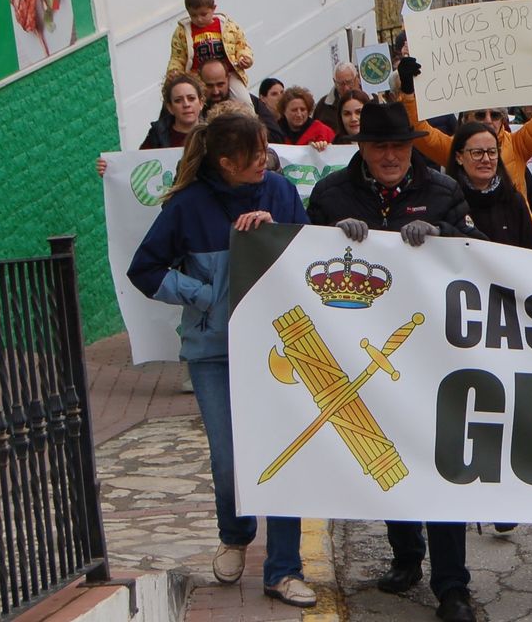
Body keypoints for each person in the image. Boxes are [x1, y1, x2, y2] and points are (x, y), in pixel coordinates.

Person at [125, 112, 314, 607]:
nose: (264, 159)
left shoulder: (278, 191)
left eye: (266, 148)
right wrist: (205, 295)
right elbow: (143, 269)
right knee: (228, 457)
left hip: (280, 349)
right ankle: (235, 534)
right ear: (226, 161)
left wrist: (274, 232)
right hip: (214, 353)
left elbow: (311, 253)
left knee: (283, 454)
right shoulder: (187, 206)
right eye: (254, 154)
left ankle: (284, 569)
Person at [307, 103, 484, 622]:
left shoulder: (444, 190)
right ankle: (406, 554)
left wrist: (441, 236)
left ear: (412, 147)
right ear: (362, 148)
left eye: (400, 147)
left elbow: (476, 250)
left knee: (439, 463)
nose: (391, 156)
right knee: (386, 458)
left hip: (433, 350)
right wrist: (329, 238)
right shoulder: (331, 194)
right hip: (362, 348)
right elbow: (303, 258)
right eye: (380, 146)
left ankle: (452, 585)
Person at [397, 44, 532, 229]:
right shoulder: (454, 148)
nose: (488, 120)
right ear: (466, 118)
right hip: (472, 240)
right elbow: (419, 131)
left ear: (503, 120)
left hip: (518, 239)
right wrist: (408, 91)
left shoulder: (517, 145)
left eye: (495, 115)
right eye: (480, 114)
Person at [446, 122, 532, 249]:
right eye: (477, 153)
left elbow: (531, 253)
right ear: (459, 157)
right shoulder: (447, 203)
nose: (486, 159)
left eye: (492, 152)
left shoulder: (514, 201)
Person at [167, 0, 254, 98]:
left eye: (203, 14)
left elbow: (241, 45)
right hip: (197, 77)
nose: (199, 19)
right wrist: (174, 72)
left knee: (244, 100)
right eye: (193, 15)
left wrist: (244, 58)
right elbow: (178, 57)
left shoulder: (227, 26)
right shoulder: (182, 32)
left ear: (213, 8)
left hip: (227, 75)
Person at [200, 60, 285, 141]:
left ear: (228, 79)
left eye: (220, 84)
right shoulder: (195, 108)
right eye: (209, 86)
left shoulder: (250, 102)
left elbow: (276, 137)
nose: (216, 91)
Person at [142, 72, 206, 149]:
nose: (186, 104)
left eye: (191, 98)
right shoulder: (156, 136)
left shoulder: (213, 133)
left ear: (201, 103)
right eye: (178, 100)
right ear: (170, 108)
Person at [313, 63, 363, 136]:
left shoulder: (373, 101)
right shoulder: (323, 106)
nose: (346, 88)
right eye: (341, 84)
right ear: (334, 82)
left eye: (349, 82)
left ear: (356, 79)